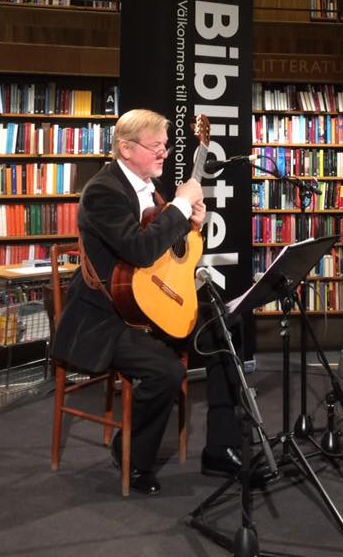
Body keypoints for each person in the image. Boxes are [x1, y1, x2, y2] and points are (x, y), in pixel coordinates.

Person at [52, 108, 243, 495]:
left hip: (147, 304)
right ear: (125, 148)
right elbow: (139, 250)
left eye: (166, 145)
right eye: (156, 147)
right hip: (106, 315)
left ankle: (222, 446)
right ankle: (131, 454)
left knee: (225, 323)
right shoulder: (103, 192)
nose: (166, 153)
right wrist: (178, 207)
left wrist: (192, 224)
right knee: (166, 372)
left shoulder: (149, 188)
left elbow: (162, 247)